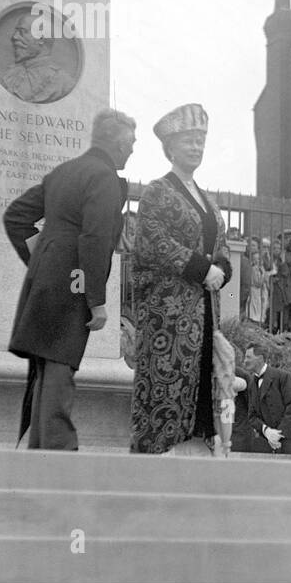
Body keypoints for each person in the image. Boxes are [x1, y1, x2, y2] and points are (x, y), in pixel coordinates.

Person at [3, 108, 135, 449]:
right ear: (115, 143)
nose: (133, 150)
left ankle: (41, 454)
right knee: (60, 367)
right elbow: (93, 238)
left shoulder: (65, 171)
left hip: (48, 280)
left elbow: (16, 217)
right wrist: (97, 300)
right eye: (130, 142)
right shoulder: (104, 177)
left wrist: (42, 262)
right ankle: (59, 454)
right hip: (75, 282)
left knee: (47, 369)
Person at [129, 104, 233, 456]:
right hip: (168, 315)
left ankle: (196, 450)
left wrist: (221, 267)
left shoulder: (208, 200)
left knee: (203, 386)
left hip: (204, 311)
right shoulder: (157, 191)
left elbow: (219, 246)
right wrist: (202, 269)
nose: (196, 147)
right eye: (189, 140)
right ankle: (155, 460)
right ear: (170, 147)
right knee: (166, 383)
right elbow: (154, 242)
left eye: (201, 141)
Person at [1, 13, 77, 104]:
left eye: (22, 32)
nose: (14, 37)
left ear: (41, 39)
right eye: (16, 32)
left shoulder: (64, 83)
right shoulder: (10, 75)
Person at [242, 346, 291, 454]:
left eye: (248, 357)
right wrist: (266, 431)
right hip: (266, 445)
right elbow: (252, 416)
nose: (245, 361)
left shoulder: (282, 377)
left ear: (260, 359)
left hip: (289, 443)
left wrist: (278, 434)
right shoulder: (251, 384)